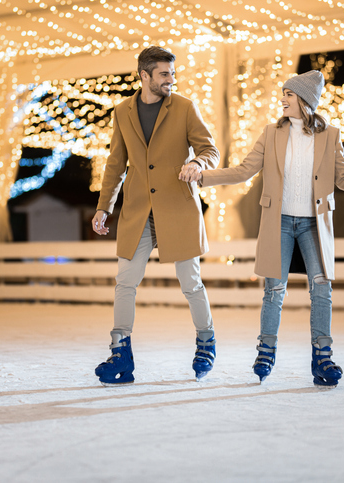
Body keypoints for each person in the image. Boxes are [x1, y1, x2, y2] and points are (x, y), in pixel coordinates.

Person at [181, 70, 344, 387]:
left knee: (322, 288)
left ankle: (323, 357)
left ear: (304, 100)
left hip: (314, 224)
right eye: (283, 93)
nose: (282, 99)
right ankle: (266, 351)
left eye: (288, 94)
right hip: (280, 222)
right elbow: (244, 171)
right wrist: (203, 177)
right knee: (274, 291)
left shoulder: (330, 135)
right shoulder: (271, 133)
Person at [92, 46, 220, 385]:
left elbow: (210, 149)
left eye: (172, 73)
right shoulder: (122, 111)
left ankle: (206, 342)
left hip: (176, 207)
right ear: (144, 75)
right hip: (137, 210)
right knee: (125, 281)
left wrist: (196, 163)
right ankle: (121, 353)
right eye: (164, 74)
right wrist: (105, 206)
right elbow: (116, 163)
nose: (171, 80)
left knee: (190, 282)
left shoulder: (184, 108)